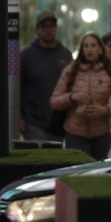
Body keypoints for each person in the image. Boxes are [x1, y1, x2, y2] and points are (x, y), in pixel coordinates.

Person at [49, 31, 111, 160]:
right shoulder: (70, 71)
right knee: (78, 174)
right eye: (85, 46)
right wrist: (71, 97)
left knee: (97, 174)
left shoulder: (110, 72)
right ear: (81, 49)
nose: (89, 49)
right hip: (75, 133)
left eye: (93, 45)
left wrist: (105, 110)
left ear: (100, 49)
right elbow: (54, 102)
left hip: (101, 134)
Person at [19, 10, 74, 141]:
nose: (49, 30)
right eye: (45, 26)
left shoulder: (65, 54)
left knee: (56, 158)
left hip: (59, 121)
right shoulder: (26, 55)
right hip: (33, 121)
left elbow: (72, 85)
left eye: (52, 26)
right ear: (38, 29)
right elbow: (17, 88)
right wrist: (19, 117)